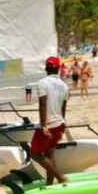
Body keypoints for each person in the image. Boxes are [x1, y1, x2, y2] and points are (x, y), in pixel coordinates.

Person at [30, 57, 70, 185]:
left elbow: (42, 104)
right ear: (58, 69)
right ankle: (49, 183)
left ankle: (60, 177)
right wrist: (63, 122)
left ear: (46, 68)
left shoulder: (42, 83)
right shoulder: (64, 86)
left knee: (34, 153)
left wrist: (43, 125)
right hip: (59, 123)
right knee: (49, 153)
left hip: (48, 124)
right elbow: (63, 108)